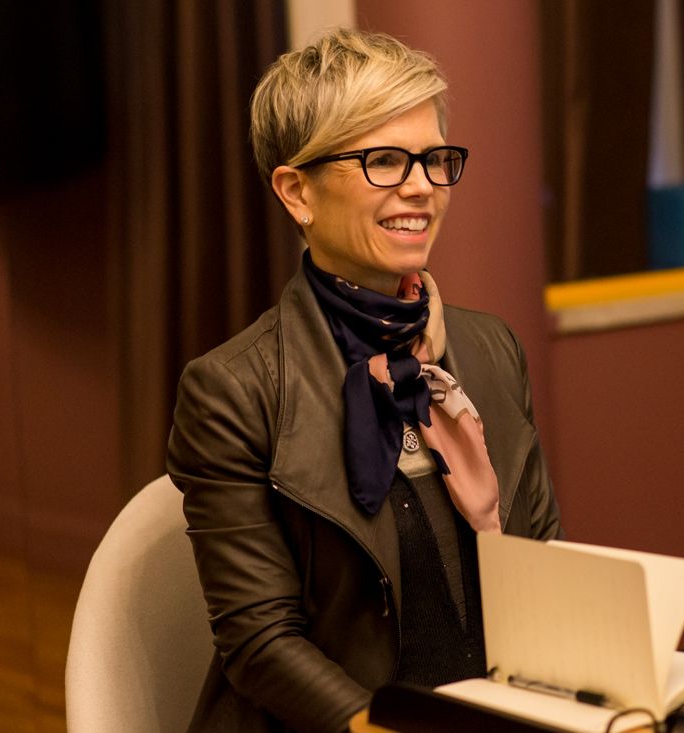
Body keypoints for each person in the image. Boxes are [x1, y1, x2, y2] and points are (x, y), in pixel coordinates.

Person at [166, 28, 563, 733]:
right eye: (383, 160)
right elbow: (260, 643)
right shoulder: (232, 391)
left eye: (434, 159)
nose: (421, 186)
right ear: (297, 192)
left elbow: (545, 562)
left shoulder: (491, 349)